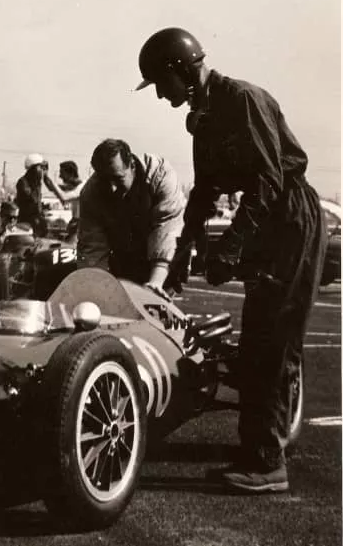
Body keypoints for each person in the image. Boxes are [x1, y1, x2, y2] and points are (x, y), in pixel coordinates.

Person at [136, 26, 327, 493]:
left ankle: (267, 464)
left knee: (273, 341)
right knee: (259, 338)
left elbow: (267, 182)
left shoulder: (242, 99)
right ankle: (259, 451)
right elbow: (202, 194)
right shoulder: (203, 118)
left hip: (291, 217)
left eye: (161, 83)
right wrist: (181, 256)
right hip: (269, 220)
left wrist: (231, 247)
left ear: (181, 70)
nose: (161, 95)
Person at [74, 139, 185, 293]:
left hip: (163, 255)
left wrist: (156, 282)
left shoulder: (161, 175)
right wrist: (94, 289)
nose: (112, 188)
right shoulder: (91, 193)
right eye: (105, 180)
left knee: (157, 296)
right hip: (125, 254)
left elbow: (167, 229)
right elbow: (92, 248)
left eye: (118, 179)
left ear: (132, 165)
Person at [44, 160, 84, 243]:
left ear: (70, 173)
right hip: (76, 222)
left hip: (82, 224)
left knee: (71, 246)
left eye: (62, 173)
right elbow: (52, 187)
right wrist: (45, 175)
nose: (60, 176)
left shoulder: (82, 187)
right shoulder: (73, 186)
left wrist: (52, 184)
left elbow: (64, 197)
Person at [15, 153, 48, 237]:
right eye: (40, 167)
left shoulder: (37, 182)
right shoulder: (23, 182)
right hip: (26, 221)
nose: (42, 170)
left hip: (37, 220)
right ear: (33, 168)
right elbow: (33, 199)